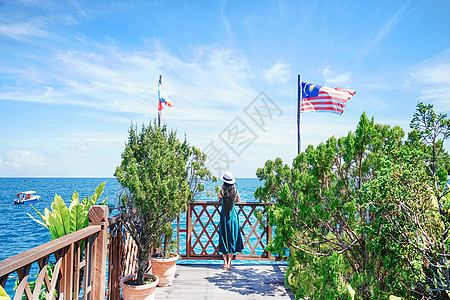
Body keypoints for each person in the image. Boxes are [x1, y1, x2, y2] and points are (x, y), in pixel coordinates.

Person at [218, 171, 244, 270]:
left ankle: (225, 263)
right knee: (232, 238)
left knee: (224, 238)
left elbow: (219, 200)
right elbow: (239, 200)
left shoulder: (221, 192)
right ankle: (229, 263)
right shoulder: (235, 191)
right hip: (233, 217)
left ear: (224, 182)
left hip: (224, 217)